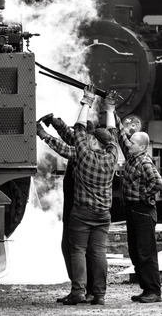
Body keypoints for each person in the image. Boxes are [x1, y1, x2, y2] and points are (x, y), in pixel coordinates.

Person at [62, 84, 117, 306]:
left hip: (82, 214)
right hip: (103, 214)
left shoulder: (84, 155)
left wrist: (87, 100)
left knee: (77, 250)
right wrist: (110, 109)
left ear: (94, 142)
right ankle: (100, 294)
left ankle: (78, 292)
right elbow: (112, 133)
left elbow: (78, 128)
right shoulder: (112, 156)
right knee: (98, 253)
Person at [35, 114, 94, 303]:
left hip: (79, 209)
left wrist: (42, 133)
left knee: (76, 249)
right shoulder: (87, 147)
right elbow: (71, 138)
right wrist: (57, 124)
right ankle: (83, 288)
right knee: (73, 248)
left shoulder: (86, 154)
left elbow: (63, 147)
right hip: (75, 207)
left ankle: (85, 289)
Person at [114, 109, 162, 303]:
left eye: (133, 142)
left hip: (143, 211)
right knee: (136, 252)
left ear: (142, 146)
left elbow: (158, 182)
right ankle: (146, 289)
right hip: (133, 210)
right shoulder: (132, 156)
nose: (129, 144)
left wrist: (143, 195)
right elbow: (121, 137)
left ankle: (153, 291)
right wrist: (113, 112)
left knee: (146, 252)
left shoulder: (143, 161)